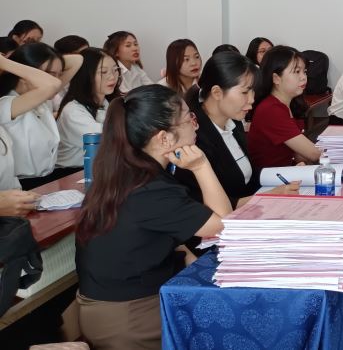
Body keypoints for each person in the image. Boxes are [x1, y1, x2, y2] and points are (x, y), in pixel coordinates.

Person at [75, 85, 231, 349]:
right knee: (223, 322)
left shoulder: (127, 171)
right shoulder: (150, 188)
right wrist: (201, 165)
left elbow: (147, 234)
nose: (196, 124)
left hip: (112, 305)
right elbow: (224, 225)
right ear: (164, 139)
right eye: (189, 118)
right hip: (126, 318)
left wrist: (183, 252)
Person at [177, 52, 299, 208]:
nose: (252, 99)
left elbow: (246, 175)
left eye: (253, 91)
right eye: (245, 92)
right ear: (217, 92)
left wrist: (290, 174)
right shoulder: (193, 137)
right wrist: (268, 196)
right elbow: (204, 204)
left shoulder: (234, 122)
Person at [0, 44, 83, 189]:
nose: (57, 80)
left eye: (59, 74)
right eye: (49, 74)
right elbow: (53, 84)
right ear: (27, 74)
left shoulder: (42, 101)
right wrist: (5, 63)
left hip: (47, 179)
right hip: (22, 186)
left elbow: (77, 60)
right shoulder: (7, 104)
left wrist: (6, 62)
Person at [247, 46, 322, 168]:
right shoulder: (271, 109)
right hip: (269, 177)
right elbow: (313, 154)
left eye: (304, 72)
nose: (303, 77)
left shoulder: (290, 104)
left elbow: (299, 154)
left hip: (284, 172)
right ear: (276, 78)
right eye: (297, 72)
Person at [55, 48, 120, 176]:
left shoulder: (107, 102)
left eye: (115, 70)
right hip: (70, 173)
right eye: (103, 72)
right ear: (85, 76)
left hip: (97, 168)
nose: (112, 77)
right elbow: (107, 138)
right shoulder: (73, 110)